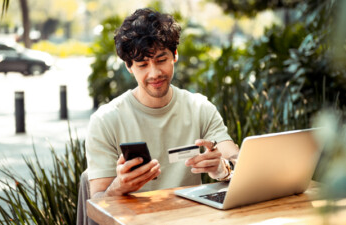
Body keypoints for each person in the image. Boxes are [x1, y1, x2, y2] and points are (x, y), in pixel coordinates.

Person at [86, 8, 239, 198]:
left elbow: (237, 162)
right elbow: (97, 200)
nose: (154, 73)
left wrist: (222, 169)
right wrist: (119, 187)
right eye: (142, 65)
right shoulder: (105, 120)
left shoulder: (200, 108)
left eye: (161, 59)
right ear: (129, 67)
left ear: (175, 55)